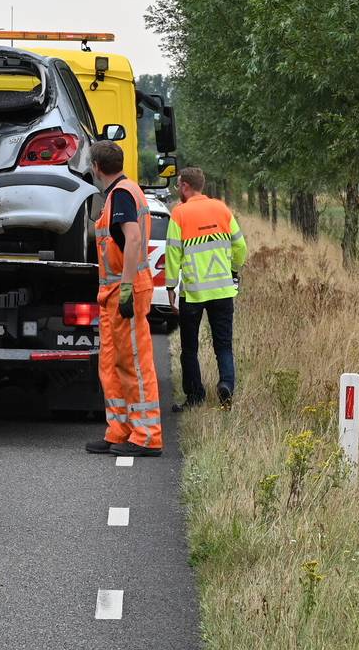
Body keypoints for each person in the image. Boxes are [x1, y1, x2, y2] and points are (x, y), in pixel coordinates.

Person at [84, 140, 163, 457]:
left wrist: (128, 288)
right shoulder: (121, 193)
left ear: (95, 167)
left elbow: (131, 239)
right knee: (113, 364)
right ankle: (120, 430)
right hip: (114, 292)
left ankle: (147, 436)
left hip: (124, 290)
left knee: (134, 364)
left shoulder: (121, 195)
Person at [164, 167, 246, 409]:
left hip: (193, 293)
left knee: (189, 348)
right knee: (224, 345)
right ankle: (226, 386)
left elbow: (172, 253)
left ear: (186, 186)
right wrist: (233, 270)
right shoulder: (222, 209)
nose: (178, 190)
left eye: (179, 185)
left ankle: (195, 397)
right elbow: (241, 247)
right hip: (222, 291)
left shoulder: (179, 214)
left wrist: (170, 287)